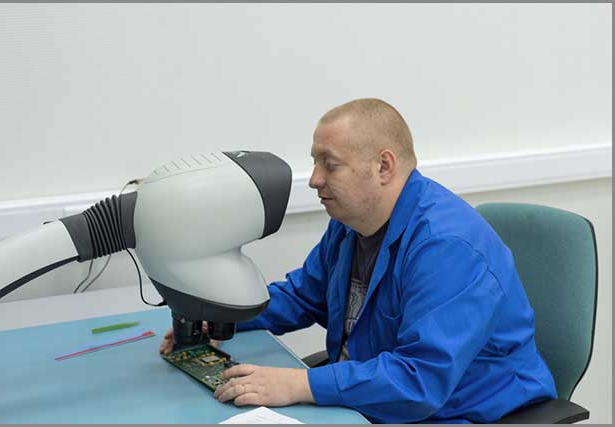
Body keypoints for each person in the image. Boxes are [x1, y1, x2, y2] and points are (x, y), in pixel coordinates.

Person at [160, 98, 557, 423]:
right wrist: (216, 319)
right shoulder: (352, 224)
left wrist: (300, 385)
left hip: (460, 410)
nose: (314, 179)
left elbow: (421, 381)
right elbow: (302, 297)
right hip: (375, 402)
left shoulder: (447, 246)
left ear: (383, 166)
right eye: (315, 162)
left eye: (329, 164)